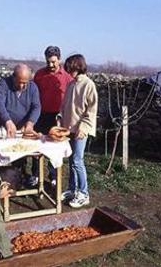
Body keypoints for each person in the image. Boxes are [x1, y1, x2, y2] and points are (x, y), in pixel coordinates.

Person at [0, 64, 41, 188]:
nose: (22, 86)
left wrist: (30, 123)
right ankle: (0, 182)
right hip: (3, 128)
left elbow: (36, 107)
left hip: (21, 128)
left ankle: (18, 180)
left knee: (20, 156)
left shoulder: (33, 88)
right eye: (19, 82)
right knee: (2, 157)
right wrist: (7, 121)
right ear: (13, 77)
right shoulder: (2, 84)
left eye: (25, 83)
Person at [31, 46, 73, 186]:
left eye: (53, 62)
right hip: (40, 114)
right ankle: (35, 174)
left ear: (59, 59)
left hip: (57, 117)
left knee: (54, 146)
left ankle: (53, 175)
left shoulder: (67, 77)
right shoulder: (39, 74)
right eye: (48, 61)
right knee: (37, 144)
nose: (51, 65)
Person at [59, 54, 98, 208]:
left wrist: (84, 127)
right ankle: (72, 189)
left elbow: (92, 109)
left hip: (81, 130)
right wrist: (60, 118)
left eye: (71, 68)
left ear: (78, 67)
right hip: (69, 128)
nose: (69, 72)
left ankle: (83, 193)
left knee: (77, 161)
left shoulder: (88, 85)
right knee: (71, 159)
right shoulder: (71, 84)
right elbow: (65, 106)